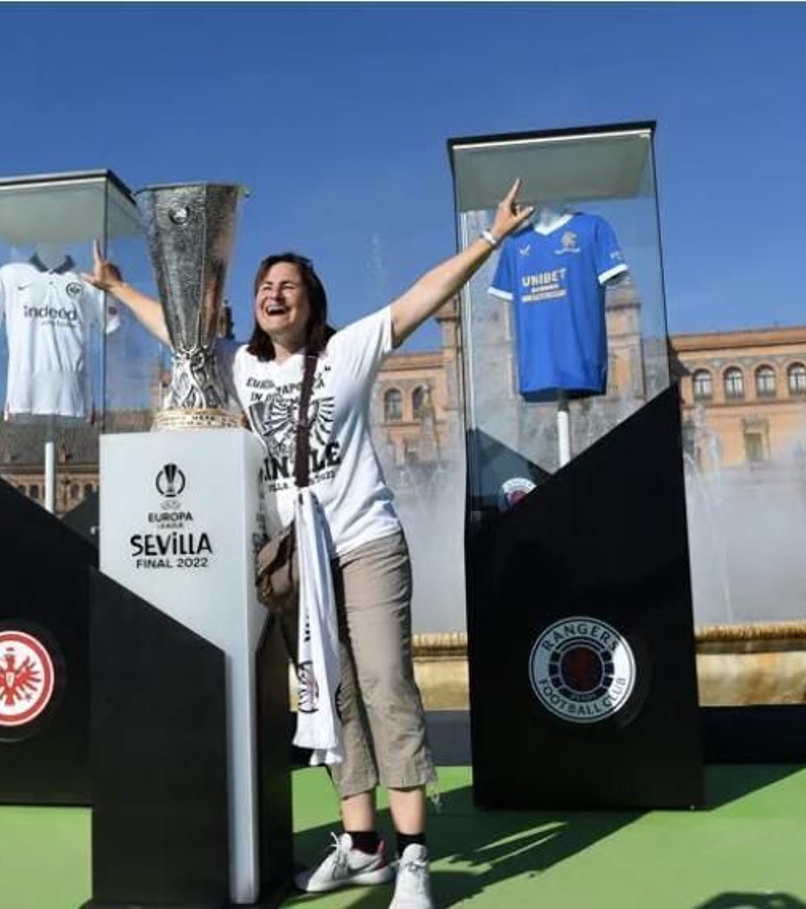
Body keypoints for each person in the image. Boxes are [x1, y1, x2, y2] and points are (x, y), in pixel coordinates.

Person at [85, 180, 534, 909]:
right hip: (295, 559)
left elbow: (422, 295)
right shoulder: (239, 364)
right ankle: (363, 845)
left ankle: (415, 853)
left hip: (363, 541)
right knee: (330, 696)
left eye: (288, 285)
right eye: (265, 285)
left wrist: (490, 239)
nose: (274, 293)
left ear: (311, 300)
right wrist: (117, 288)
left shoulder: (350, 350)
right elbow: (179, 333)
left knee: (387, 684)